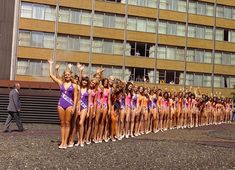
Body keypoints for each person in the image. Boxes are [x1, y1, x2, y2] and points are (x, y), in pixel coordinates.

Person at [48, 60, 77, 149]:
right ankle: (62, 141)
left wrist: (74, 107)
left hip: (69, 105)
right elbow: (51, 76)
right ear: (64, 75)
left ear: (71, 75)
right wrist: (51, 65)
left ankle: (65, 142)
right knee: (62, 123)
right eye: (66, 74)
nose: (67, 76)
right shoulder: (61, 83)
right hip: (61, 104)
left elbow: (75, 97)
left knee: (67, 123)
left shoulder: (74, 85)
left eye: (68, 74)